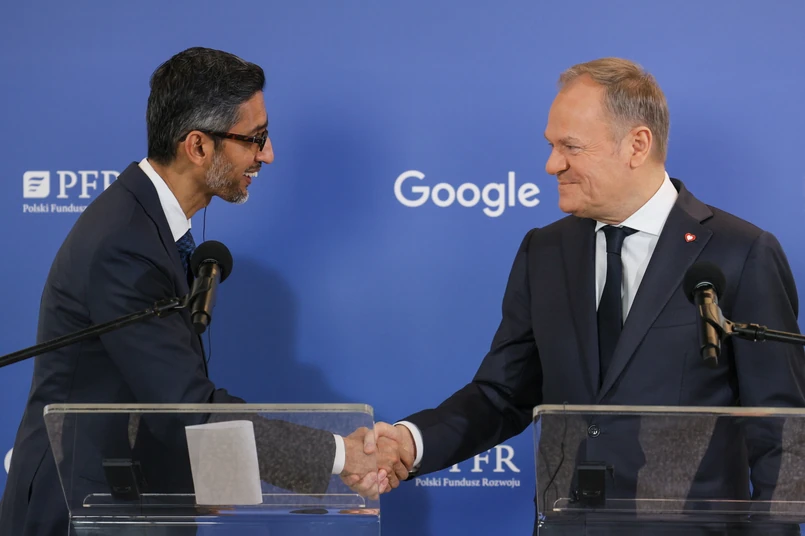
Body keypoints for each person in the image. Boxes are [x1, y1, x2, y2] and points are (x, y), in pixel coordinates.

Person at [364, 58, 805, 532]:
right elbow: (502, 394)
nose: (552, 164)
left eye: (570, 147)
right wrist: (410, 443)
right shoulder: (545, 250)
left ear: (637, 145)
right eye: (552, 146)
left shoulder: (741, 252)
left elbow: (783, 431)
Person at [0, 47, 385, 536]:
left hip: (132, 501)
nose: (267, 154)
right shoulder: (125, 244)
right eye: (255, 138)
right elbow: (184, 408)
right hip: (81, 514)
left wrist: (207, 479)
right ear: (198, 147)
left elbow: (155, 399)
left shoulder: (149, 226)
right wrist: (341, 455)